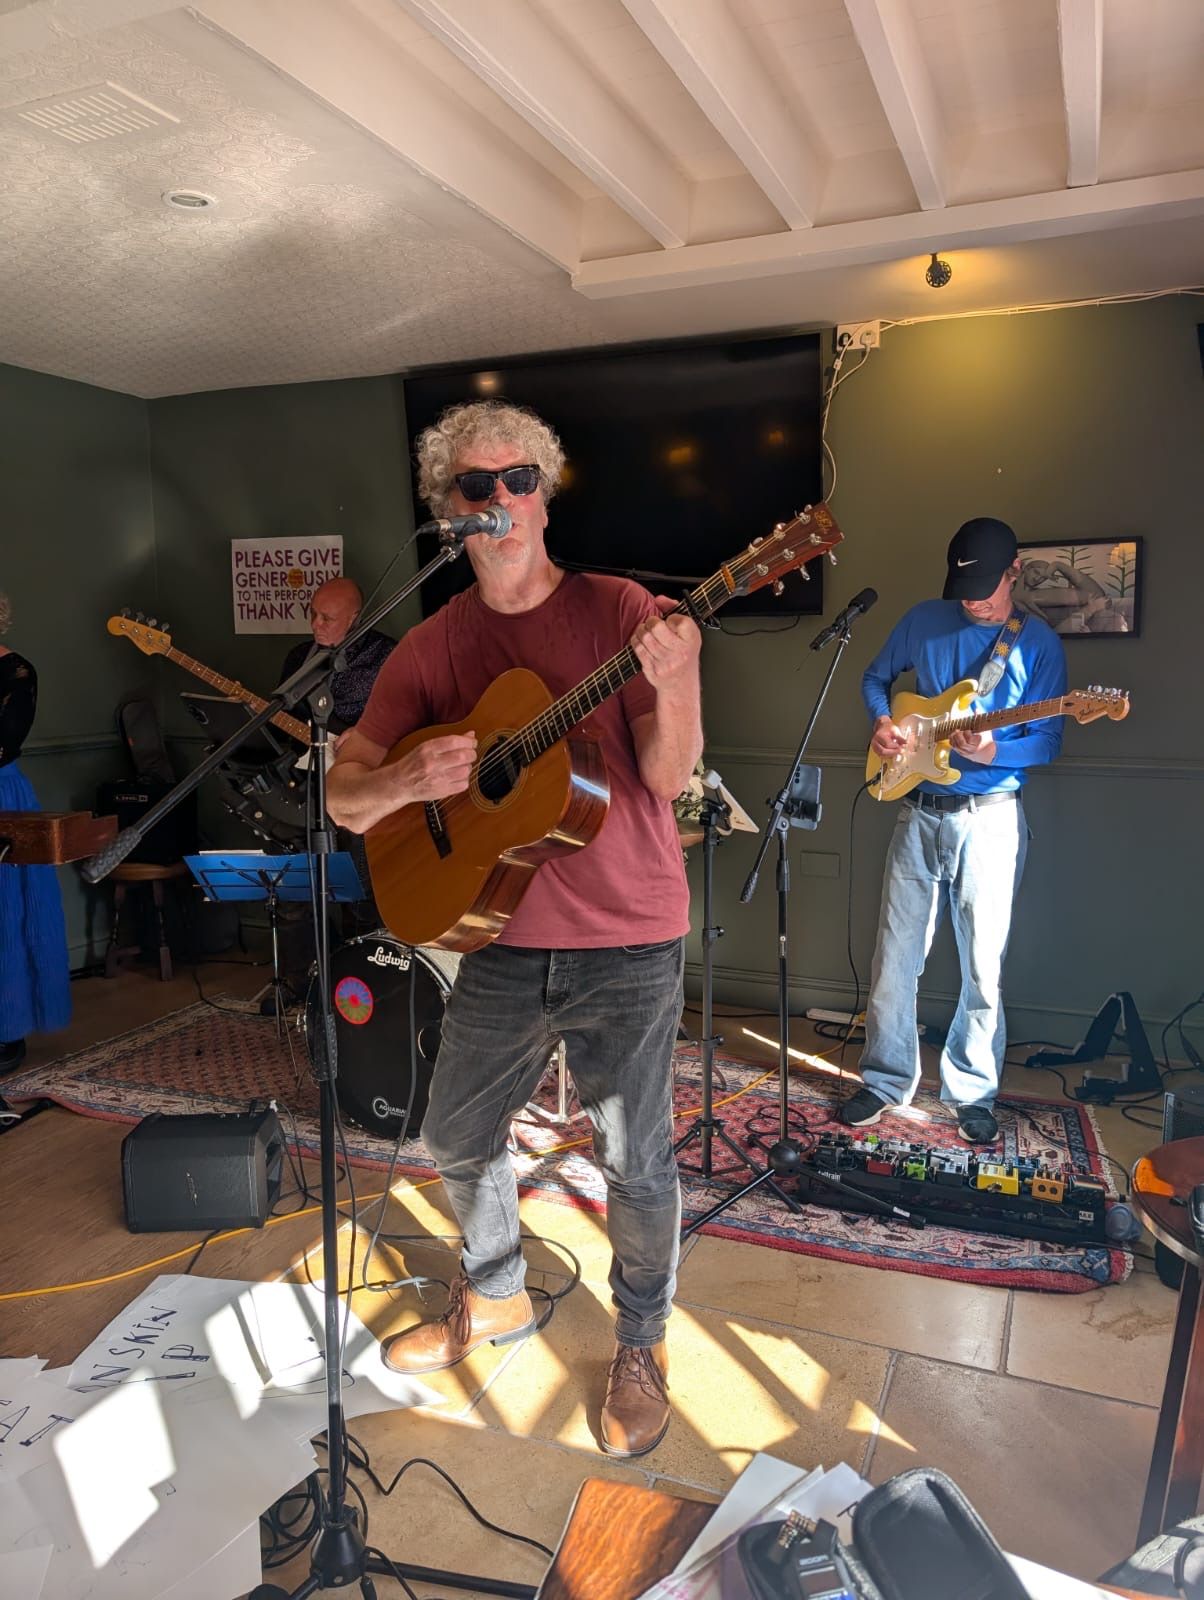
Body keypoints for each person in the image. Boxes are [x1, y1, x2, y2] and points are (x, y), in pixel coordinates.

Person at [326, 400, 702, 1458]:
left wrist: (676, 680)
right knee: (454, 1130)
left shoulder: (620, 610)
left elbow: (666, 776)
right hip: (497, 937)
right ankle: (493, 1293)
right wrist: (405, 779)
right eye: (475, 485)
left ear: (545, 494)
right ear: (448, 508)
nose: (499, 498)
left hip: (627, 935)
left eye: (518, 479)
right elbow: (347, 798)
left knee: (634, 1159)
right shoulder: (433, 645)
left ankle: (641, 1341)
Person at [839, 518, 1068, 1145]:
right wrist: (883, 723)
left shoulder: (1038, 646)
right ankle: (885, 1081)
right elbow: (874, 678)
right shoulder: (923, 619)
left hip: (989, 818)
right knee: (894, 958)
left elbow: (1049, 741)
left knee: (982, 967)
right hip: (917, 810)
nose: (973, 601)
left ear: (1014, 571)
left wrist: (994, 751)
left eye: (985, 588)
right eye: (964, 589)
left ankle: (972, 1092)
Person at [271, 577, 394, 999]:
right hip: (306, 780)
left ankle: (366, 982)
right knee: (299, 882)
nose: (316, 625)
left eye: (327, 618)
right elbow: (286, 723)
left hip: (362, 786)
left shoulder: (386, 656)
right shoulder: (298, 658)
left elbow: (410, 715)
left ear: (355, 618)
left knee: (361, 885)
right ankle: (303, 982)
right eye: (313, 615)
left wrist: (366, 734)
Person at [0, 590, 71, 1070]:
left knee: (5, 916)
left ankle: (7, 1030)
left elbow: (4, 741)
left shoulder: (17, 672)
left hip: (2, 797)